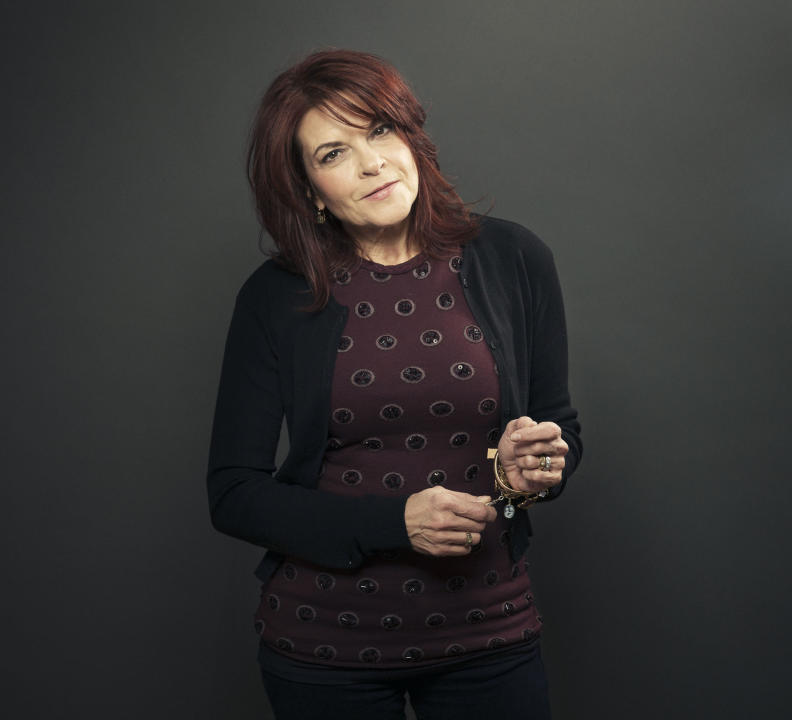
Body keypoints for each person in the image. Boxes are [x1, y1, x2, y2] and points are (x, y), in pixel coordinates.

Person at [207, 49, 581, 720]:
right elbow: (233, 494)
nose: (372, 162)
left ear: (410, 135)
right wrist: (394, 522)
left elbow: (561, 430)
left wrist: (540, 467)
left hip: (489, 628)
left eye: (380, 129)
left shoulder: (514, 259)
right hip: (325, 648)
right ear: (308, 190)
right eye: (332, 153)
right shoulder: (275, 299)